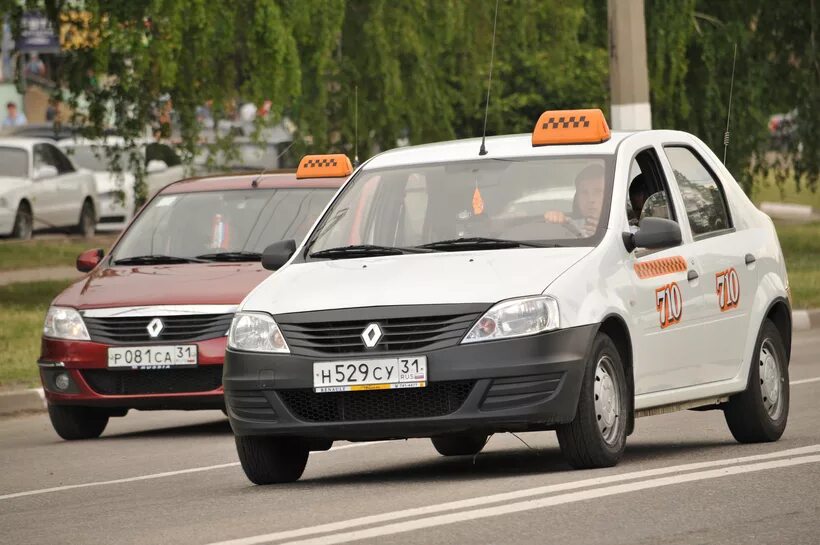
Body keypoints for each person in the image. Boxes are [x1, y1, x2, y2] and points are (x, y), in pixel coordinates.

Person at [543, 163, 605, 237]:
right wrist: (553, 219)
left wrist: (602, 235)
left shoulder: (620, 228)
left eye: (598, 192)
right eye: (584, 192)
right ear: (577, 198)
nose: (591, 199)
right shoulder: (569, 226)